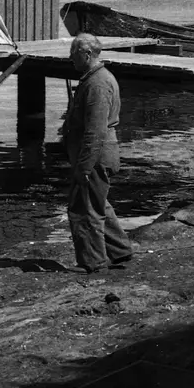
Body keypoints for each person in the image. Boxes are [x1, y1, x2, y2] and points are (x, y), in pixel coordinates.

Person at [64, 33, 134, 273]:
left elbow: (95, 130)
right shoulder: (96, 79)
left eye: (73, 54)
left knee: (84, 209)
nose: (70, 59)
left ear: (86, 55)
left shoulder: (97, 83)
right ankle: (120, 250)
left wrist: (84, 166)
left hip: (96, 155)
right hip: (100, 153)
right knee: (98, 203)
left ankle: (93, 262)